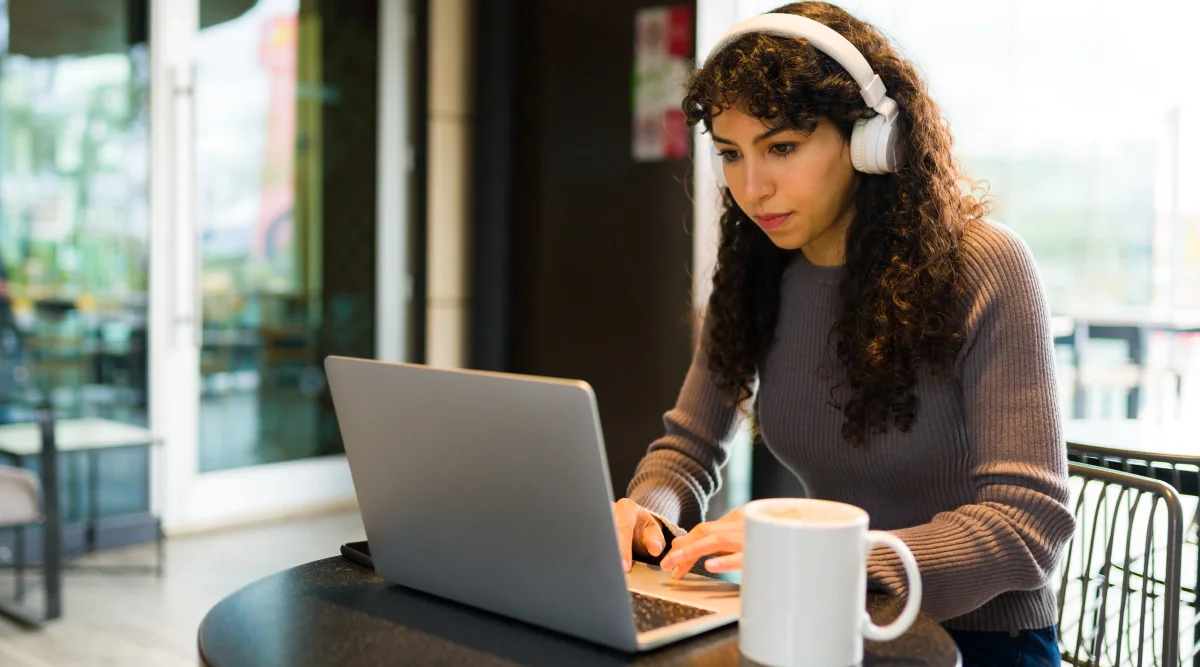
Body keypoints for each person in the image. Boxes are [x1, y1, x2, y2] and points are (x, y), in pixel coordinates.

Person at [610, 3, 1073, 665]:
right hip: (829, 617)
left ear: (868, 140)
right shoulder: (755, 276)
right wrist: (646, 511)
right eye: (731, 155)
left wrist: (831, 553)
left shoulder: (985, 264)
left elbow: (1028, 527)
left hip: (983, 641)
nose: (752, 186)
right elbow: (686, 449)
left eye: (782, 147)